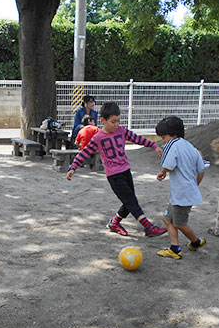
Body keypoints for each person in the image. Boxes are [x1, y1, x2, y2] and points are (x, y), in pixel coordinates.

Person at [66, 101, 167, 237]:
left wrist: (154, 145)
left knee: (129, 200)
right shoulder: (98, 137)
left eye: (118, 121)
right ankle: (148, 227)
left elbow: (137, 139)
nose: (116, 124)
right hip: (114, 175)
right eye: (113, 122)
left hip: (126, 171)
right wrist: (73, 167)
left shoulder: (121, 131)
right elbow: (84, 152)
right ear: (103, 120)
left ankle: (114, 223)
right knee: (131, 201)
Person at [155, 116, 208, 259]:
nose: (163, 141)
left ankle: (196, 242)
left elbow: (168, 164)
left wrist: (162, 172)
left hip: (181, 195)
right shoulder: (191, 147)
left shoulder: (173, 145)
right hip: (183, 193)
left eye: (163, 137)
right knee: (167, 219)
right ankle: (174, 248)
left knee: (179, 223)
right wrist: (195, 185)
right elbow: (202, 169)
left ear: (173, 135)